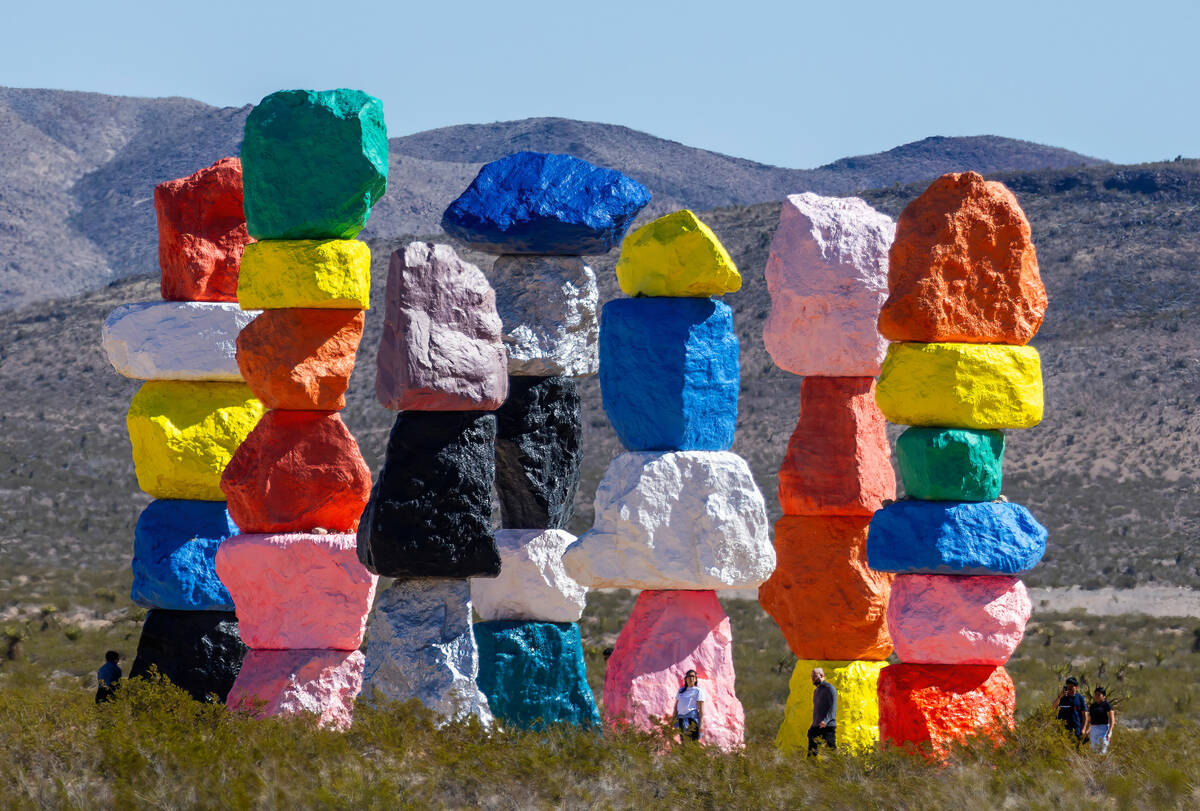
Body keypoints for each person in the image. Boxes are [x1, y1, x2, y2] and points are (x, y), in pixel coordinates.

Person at [807, 667, 837, 756]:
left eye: (814, 676)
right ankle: (810, 768)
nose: (812, 678)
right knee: (812, 751)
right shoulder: (816, 691)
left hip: (827, 726)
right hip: (816, 725)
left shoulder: (829, 688)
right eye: (811, 676)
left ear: (821, 675)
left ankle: (837, 767)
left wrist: (826, 721)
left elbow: (833, 707)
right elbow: (817, 710)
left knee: (831, 750)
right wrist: (813, 724)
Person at [673, 670, 705, 742]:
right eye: (689, 676)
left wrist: (701, 725)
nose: (691, 678)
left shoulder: (698, 691)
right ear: (686, 679)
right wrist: (673, 719)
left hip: (692, 719)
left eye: (693, 676)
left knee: (692, 743)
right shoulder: (681, 691)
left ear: (696, 679)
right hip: (681, 719)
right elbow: (676, 706)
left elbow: (701, 710)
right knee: (684, 742)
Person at [1055, 676, 1088, 743]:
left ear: (1076, 687)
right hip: (1062, 728)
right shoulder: (1062, 698)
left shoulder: (1079, 698)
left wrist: (1084, 729)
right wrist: (1060, 696)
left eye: (1071, 686)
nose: (1069, 689)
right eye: (1068, 687)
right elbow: (1053, 707)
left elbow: (1085, 714)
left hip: (1075, 728)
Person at [1088, 687, 1115, 754]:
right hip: (1093, 729)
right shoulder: (1092, 706)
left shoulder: (1107, 705)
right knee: (1094, 749)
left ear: (1104, 696)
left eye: (1099, 695)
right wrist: (1087, 730)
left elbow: (1111, 719)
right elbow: (1089, 718)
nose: (1097, 696)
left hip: (1103, 728)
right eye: (1096, 694)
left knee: (1102, 748)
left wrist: (1110, 730)